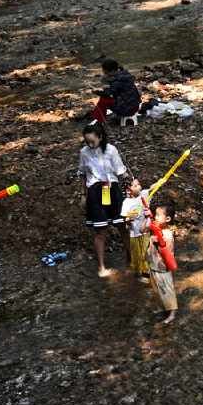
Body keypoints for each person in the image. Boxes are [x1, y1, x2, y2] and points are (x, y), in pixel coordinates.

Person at [79, 122, 129, 277]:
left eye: (92, 141)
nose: (90, 145)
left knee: (122, 226)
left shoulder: (111, 150)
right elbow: (83, 173)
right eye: (87, 142)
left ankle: (132, 259)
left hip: (111, 190)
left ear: (100, 137)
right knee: (100, 230)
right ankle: (101, 267)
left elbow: (121, 171)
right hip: (95, 191)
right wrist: (83, 195)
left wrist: (131, 187)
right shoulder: (84, 152)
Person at [147, 201, 178, 325]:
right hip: (153, 264)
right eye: (156, 215)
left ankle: (172, 312)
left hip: (163, 267)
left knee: (167, 289)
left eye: (158, 215)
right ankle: (164, 307)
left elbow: (166, 251)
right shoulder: (157, 229)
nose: (156, 217)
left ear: (168, 219)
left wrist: (157, 242)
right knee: (158, 288)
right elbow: (144, 227)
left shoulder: (168, 235)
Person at [90, 58, 141, 124]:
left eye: (105, 72)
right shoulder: (125, 74)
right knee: (108, 99)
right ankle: (98, 117)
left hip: (127, 109)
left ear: (112, 71)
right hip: (135, 106)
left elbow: (108, 94)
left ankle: (99, 120)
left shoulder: (117, 81)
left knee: (103, 100)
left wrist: (96, 91)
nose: (105, 73)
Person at [121, 178, 150, 280]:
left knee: (146, 252)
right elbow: (125, 218)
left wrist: (161, 181)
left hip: (145, 231)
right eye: (136, 185)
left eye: (139, 184)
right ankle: (138, 274)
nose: (139, 186)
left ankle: (146, 270)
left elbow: (152, 188)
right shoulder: (126, 202)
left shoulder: (144, 194)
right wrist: (129, 219)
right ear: (129, 190)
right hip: (134, 233)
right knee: (137, 254)